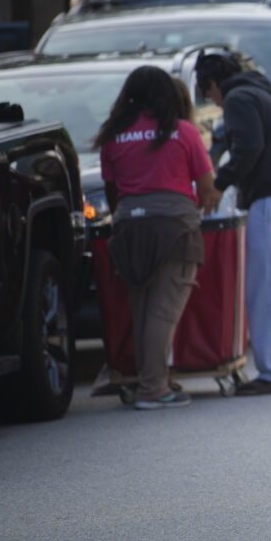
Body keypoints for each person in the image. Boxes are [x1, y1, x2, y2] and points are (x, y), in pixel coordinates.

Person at [94, 66, 220, 410]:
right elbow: (207, 186)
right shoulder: (181, 131)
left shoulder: (113, 135)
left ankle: (151, 380)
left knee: (143, 311)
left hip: (128, 231)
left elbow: (112, 190)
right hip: (175, 230)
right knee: (163, 313)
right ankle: (153, 388)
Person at [196, 51, 271, 396]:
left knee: (267, 287)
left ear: (214, 83)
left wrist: (219, 183)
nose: (213, 102)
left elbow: (248, 148)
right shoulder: (262, 92)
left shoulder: (238, 98)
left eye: (208, 93)